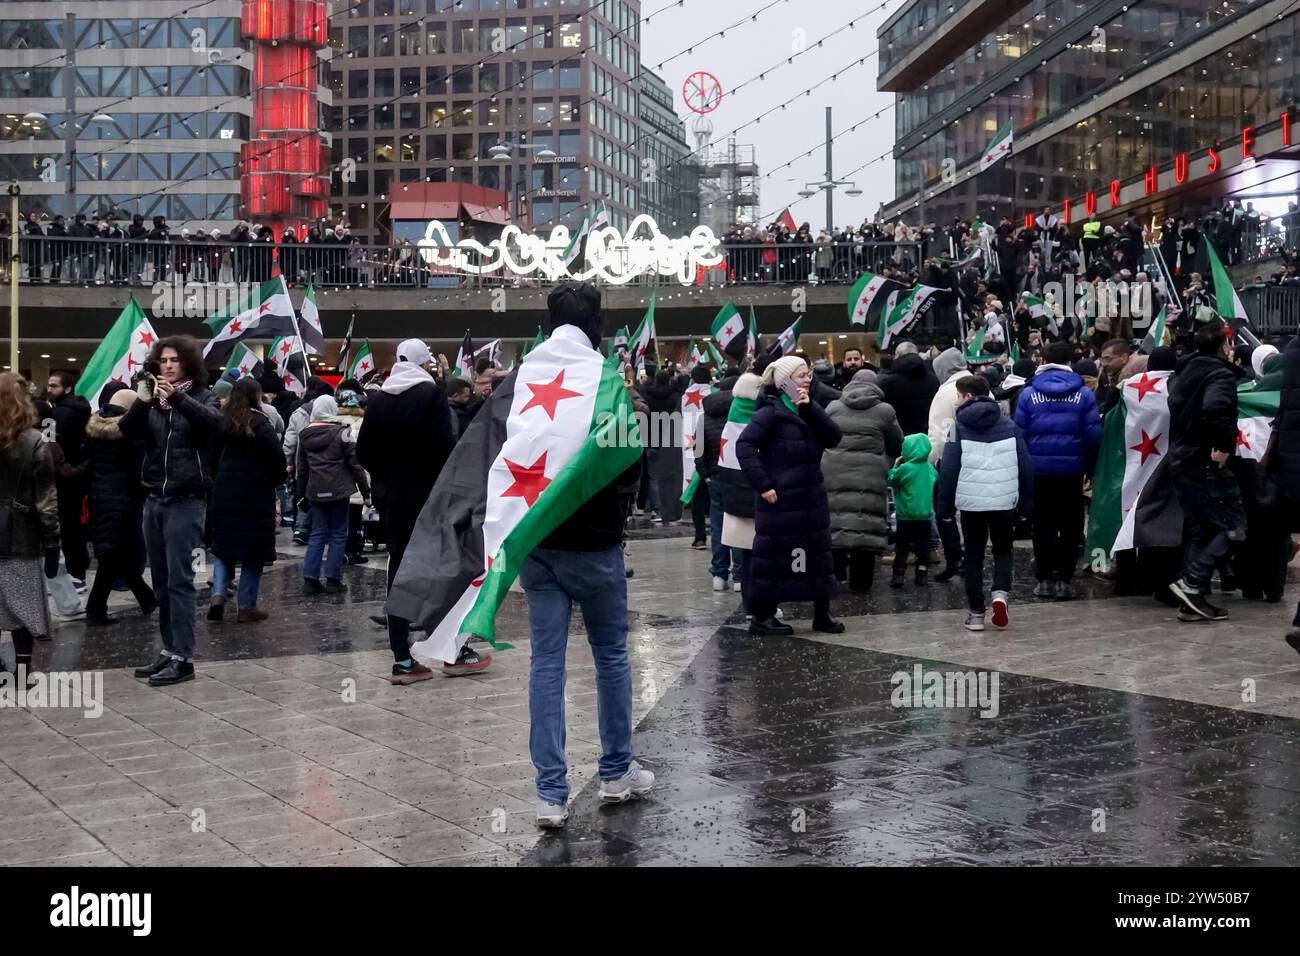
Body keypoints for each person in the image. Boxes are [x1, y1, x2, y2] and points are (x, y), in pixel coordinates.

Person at [520, 283, 650, 829]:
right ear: (596, 326)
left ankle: (551, 794)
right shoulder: (608, 384)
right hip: (596, 546)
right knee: (611, 657)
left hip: (539, 545)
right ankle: (617, 771)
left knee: (546, 663)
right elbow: (630, 460)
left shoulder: (526, 379)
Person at [357, 338, 487, 680]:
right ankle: (453, 651)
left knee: (399, 571)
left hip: (395, 501)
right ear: (420, 362)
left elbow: (365, 454)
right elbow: (446, 447)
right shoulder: (430, 395)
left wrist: (389, 475)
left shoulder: (379, 399)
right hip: (432, 497)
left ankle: (402, 658)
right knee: (446, 570)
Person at [120, 336, 222, 687]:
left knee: (180, 582)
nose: (167, 365)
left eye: (174, 360)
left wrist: (175, 397)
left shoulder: (201, 396)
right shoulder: (153, 403)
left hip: (187, 500)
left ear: (188, 363)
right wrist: (142, 402)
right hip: (154, 500)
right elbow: (125, 432)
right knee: (161, 583)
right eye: (162, 360)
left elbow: (212, 423)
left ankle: (184, 657)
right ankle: (169, 648)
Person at [737, 355, 844, 635]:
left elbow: (833, 437)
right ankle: (763, 616)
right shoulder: (769, 412)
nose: (807, 380)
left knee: (817, 556)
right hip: (780, 501)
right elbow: (745, 447)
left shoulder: (808, 407)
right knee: (774, 558)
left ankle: (822, 614)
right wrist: (763, 484)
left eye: (808, 374)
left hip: (811, 499)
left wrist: (811, 410)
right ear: (784, 382)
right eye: (800, 376)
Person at [937, 375, 1034, 632]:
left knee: (974, 556)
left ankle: (976, 613)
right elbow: (1025, 466)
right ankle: (1000, 594)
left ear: (968, 396)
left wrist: (944, 508)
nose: (957, 402)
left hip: (971, 505)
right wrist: (1025, 506)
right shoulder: (1010, 425)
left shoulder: (958, 427)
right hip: (1004, 501)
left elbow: (948, 470)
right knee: (1003, 550)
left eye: (958, 396)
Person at [1166, 322, 1247, 622]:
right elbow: (1215, 409)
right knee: (1232, 526)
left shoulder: (1184, 372)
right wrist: (1223, 445)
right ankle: (1193, 581)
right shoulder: (1219, 374)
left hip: (1182, 459)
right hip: (1206, 461)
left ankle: (1192, 599)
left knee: (1199, 530)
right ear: (1223, 348)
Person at [1014, 340, 1102, 600]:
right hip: (1071, 471)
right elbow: (1094, 435)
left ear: (1042, 359)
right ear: (1071, 361)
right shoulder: (1084, 394)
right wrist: (1090, 466)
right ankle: (1064, 580)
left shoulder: (1028, 394)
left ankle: (1043, 580)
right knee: (1071, 525)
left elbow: (1018, 434)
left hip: (1038, 471)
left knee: (1041, 525)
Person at [208, 378, 286, 622]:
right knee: (254, 553)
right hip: (255, 494)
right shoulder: (261, 422)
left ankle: (218, 596)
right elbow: (276, 459)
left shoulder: (222, 421)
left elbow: (210, 456)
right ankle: (247, 606)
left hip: (224, 491)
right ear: (256, 395)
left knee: (224, 549)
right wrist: (276, 479)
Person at [0, 373, 60, 686]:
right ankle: (23, 673)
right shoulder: (35, 442)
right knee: (23, 605)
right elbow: (47, 502)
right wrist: (53, 545)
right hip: (21, 533)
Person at [83, 385, 157, 625]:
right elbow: (138, 467)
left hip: (101, 497)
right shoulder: (126, 431)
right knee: (111, 557)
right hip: (121, 499)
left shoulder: (95, 429)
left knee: (117, 553)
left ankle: (146, 599)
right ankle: (95, 610)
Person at [823, 369, 903, 592]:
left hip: (833, 470)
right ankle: (861, 582)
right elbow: (898, 442)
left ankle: (837, 575)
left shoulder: (833, 407)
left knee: (836, 520)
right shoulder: (884, 411)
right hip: (870, 473)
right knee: (866, 524)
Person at [297, 395, 369, 595]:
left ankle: (310, 579)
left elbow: (301, 470)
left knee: (317, 533)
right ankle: (333, 579)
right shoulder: (343, 432)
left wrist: (300, 496)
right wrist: (365, 490)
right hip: (339, 490)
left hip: (315, 491)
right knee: (338, 534)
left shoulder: (304, 435)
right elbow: (355, 465)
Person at [927, 346, 971, 580]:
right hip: (979, 459)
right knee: (971, 512)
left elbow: (941, 435)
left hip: (951, 461)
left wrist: (932, 462)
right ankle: (970, 558)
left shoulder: (945, 393)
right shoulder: (978, 384)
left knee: (944, 511)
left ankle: (955, 557)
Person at [44, 370, 91, 587]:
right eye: (49, 385)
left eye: (54, 386)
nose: (50, 389)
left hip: (65, 477)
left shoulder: (57, 415)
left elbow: (50, 447)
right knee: (76, 526)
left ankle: (75, 573)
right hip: (79, 474)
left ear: (67, 388)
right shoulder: (82, 410)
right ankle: (79, 569)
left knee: (69, 528)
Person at [887, 433, 936, 587]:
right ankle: (922, 574)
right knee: (923, 546)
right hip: (925, 516)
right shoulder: (929, 469)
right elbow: (936, 479)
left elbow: (891, 480)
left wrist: (895, 466)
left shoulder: (905, 469)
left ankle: (899, 574)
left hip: (906, 517)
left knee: (902, 546)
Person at [879, 341, 939, 436]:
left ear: (897, 356)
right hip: (927, 437)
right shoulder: (934, 379)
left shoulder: (888, 383)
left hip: (900, 438)